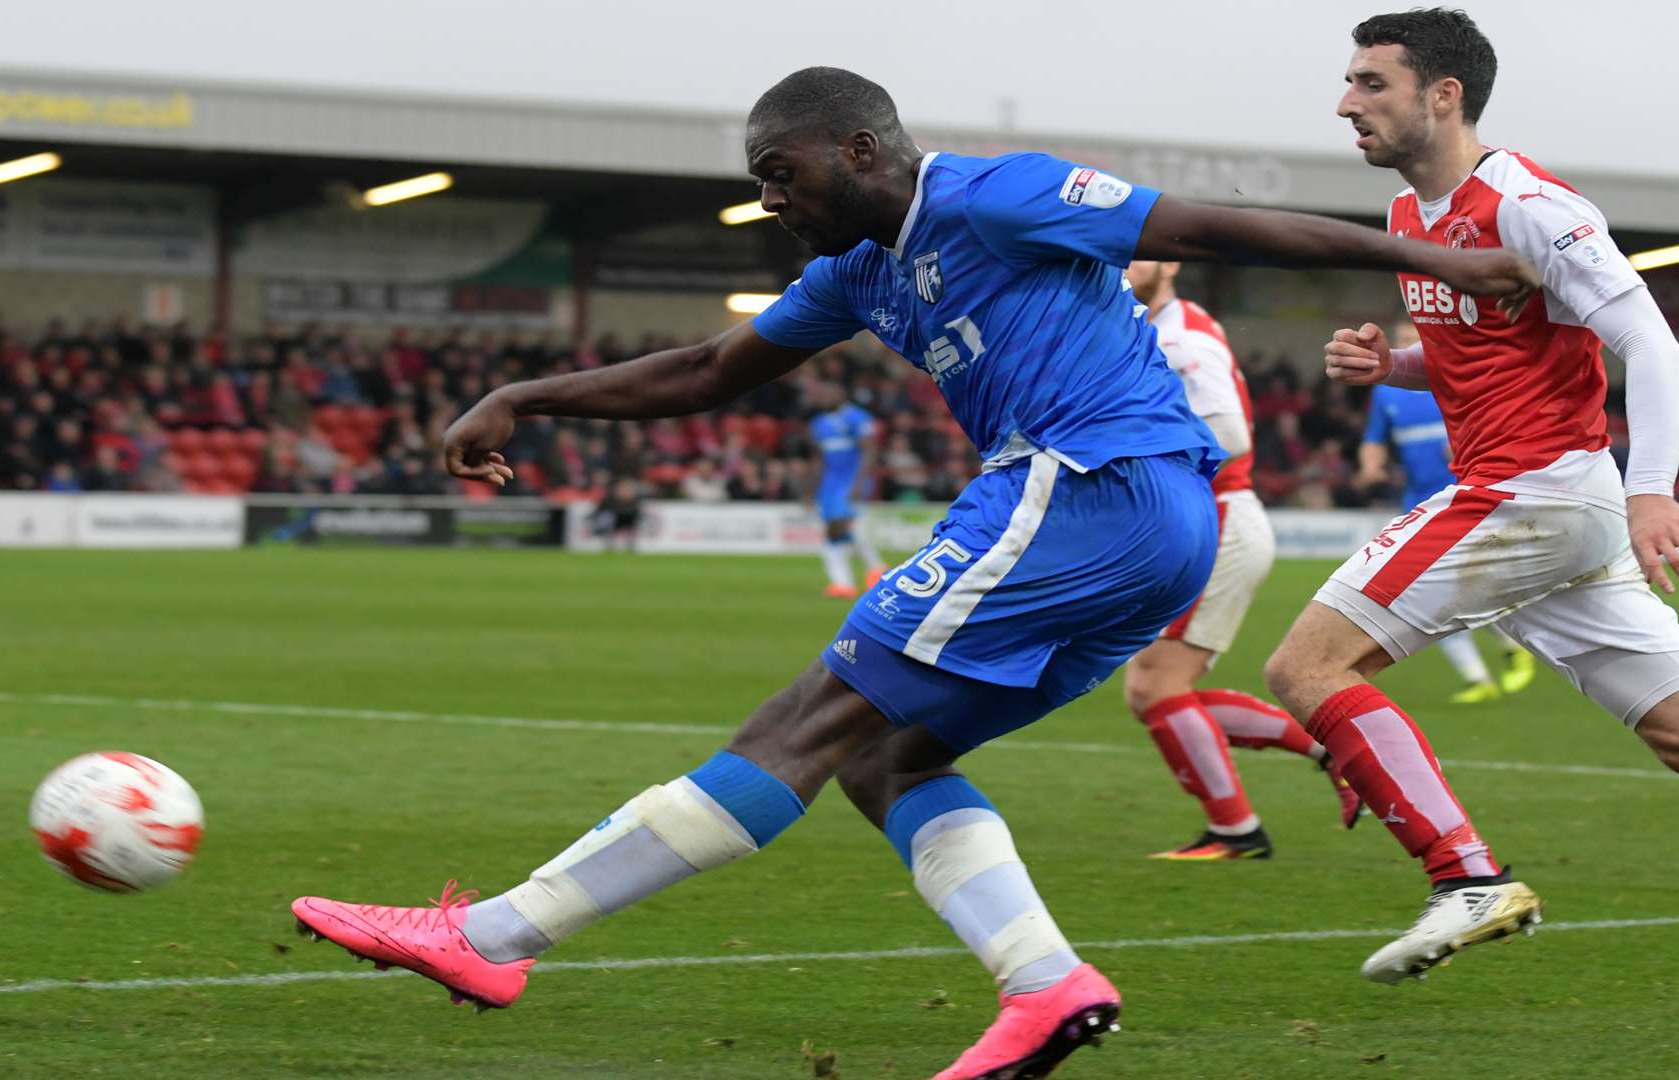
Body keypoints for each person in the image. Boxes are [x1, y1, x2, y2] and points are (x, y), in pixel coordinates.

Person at [291, 66, 1535, 1079]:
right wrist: (524, 394)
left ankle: (493, 935)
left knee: (810, 720)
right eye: (758, 183)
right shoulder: (855, 271)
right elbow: (708, 372)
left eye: (785, 174)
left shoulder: (997, 195)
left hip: (1087, 485)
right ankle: (1047, 986)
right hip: (1131, 525)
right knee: (891, 759)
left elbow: (1209, 227)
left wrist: (1445, 267)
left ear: (863, 150)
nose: (771, 198)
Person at [1264, 8, 1679, 987]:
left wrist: (1652, 495)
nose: (1347, 103)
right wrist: (1396, 367)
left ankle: (1465, 877)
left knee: (1307, 666)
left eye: (1371, 83)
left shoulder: (1532, 206)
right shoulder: (1411, 214)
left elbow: (1652, 343)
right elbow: (1485, 351)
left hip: (1534, 493)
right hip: (1547, 506)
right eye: (1350, 83)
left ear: (1444, 94)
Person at [1118, 259, 1362, 862]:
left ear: (1170, 265)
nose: (1122, 265)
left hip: (1218, 519)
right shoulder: (1151, 326)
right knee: (1157, 688)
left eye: (1136, 254)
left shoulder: (1181, 338)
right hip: (1200, 522)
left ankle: (1236, 831)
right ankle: (1332, 752)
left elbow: (1230, 437)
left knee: (1155, 685)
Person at [1357, 321, 1536, 704]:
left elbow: (1490, 414)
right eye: (1401, 340)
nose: (1405, 347)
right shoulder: (1386, 391)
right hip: (1418, 498)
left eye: (1412, 340)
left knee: (1462, 586)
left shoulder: (1444, 376)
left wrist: (1467, 441)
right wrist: (1371, 465)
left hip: (1465, 491)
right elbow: (1374, 437)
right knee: (1427, 593)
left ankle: (1511, 645)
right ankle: (1481, 676)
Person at [804, 380, 887, 597]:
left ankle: (875, 570)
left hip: (851, 479)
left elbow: (870, 451)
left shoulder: (857, 417)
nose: (822, 398)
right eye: (819, 395)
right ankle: (844, 583)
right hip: (830, 483)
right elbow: (818, 459)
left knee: (843, 527)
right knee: (834, 530)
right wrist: (810, 490)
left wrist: (859, 482)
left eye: (826, 393)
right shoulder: (818, 423)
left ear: (840, 394)